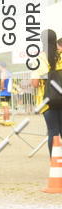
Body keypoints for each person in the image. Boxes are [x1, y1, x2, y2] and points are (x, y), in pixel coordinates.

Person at [31, 29, 62, 157]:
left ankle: (55, 164)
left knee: (53, 131)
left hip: (47, 101)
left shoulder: (39, 59)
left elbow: (35, 83)